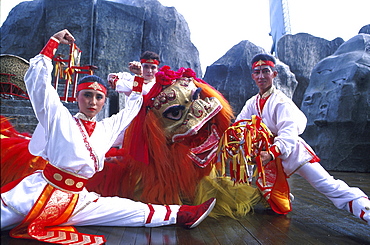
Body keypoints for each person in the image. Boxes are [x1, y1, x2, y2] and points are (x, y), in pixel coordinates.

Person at [0, 29, 216, 245]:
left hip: (78, 200)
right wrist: (53, 43)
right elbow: (39, 87)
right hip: (37, 194)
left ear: (104, 101)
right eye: (87, 95)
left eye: (98, 97)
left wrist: (139, 78)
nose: (92, 101)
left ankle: (182, 214)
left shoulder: (106, 128)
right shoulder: (59, 117)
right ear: (78, 97)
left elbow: (132, 108)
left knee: (128, 209)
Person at [235, 53, 369, 225]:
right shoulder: (251, 103)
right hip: (269, 158)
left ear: (274, 74)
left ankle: (366, 210)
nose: (261, 76)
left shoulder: (281, 101)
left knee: (327, 185)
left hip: (292, 153)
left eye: (265, 71)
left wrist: (271, 152)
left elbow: (289, 132)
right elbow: (240, 124)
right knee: (268, 191)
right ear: (253, 76)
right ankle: (282, 198)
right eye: (257, 72)